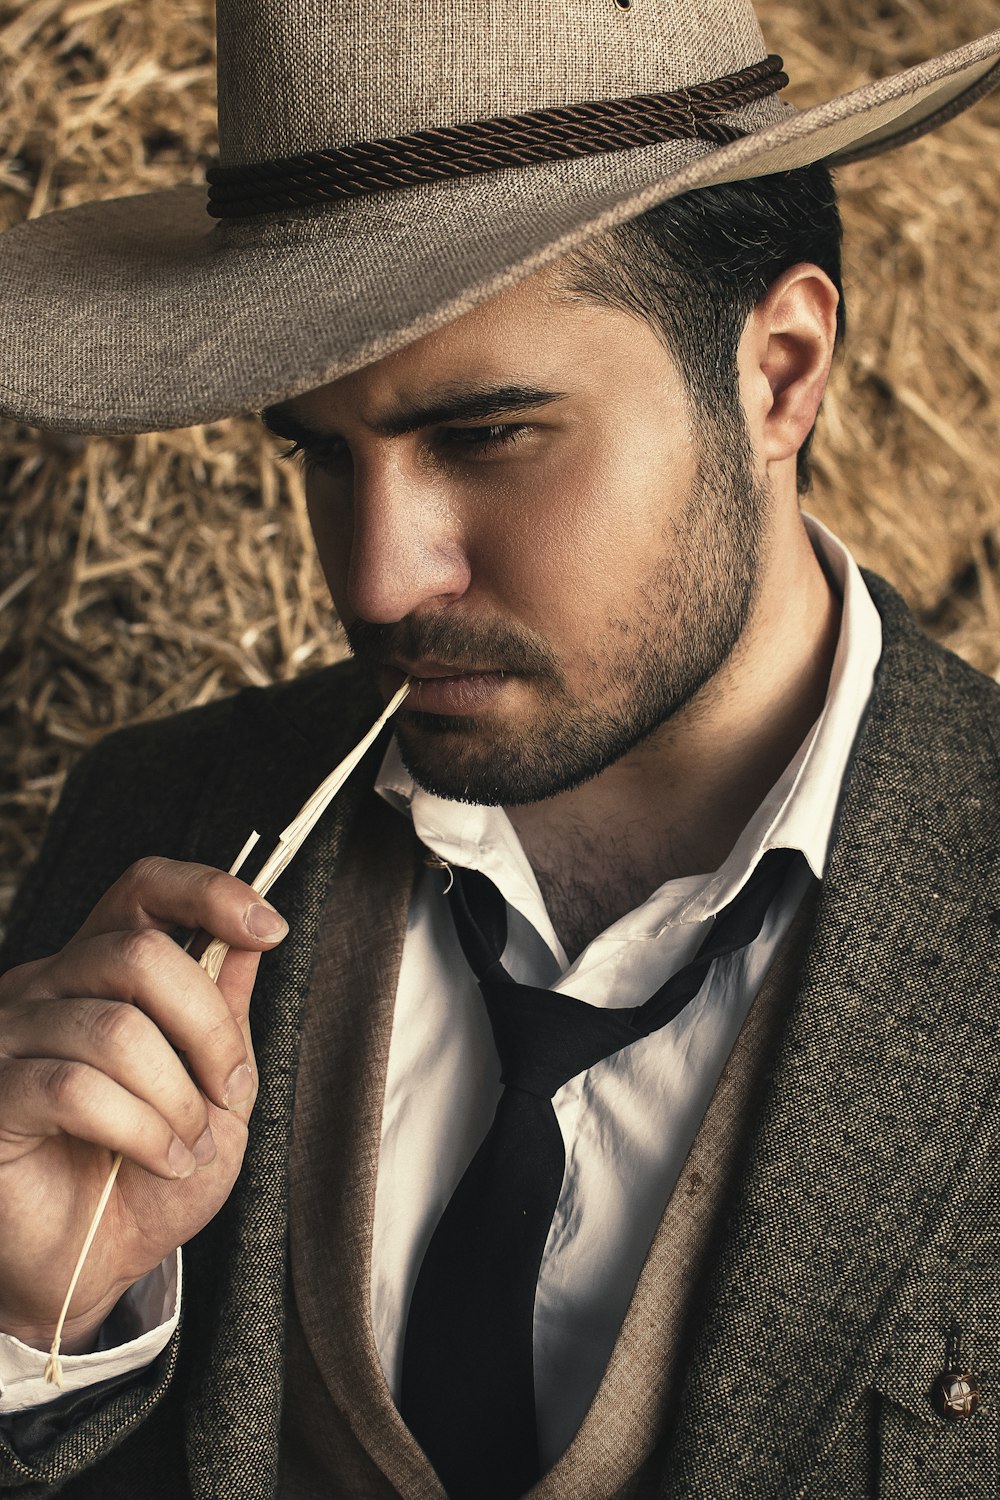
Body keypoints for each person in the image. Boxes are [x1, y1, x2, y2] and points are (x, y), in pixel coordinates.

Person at [0, 1, 998, 1496]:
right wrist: (39, 1334)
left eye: (485, 436)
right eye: (322, 453)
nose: (375, 579)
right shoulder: (156, 827)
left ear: (779, 372)